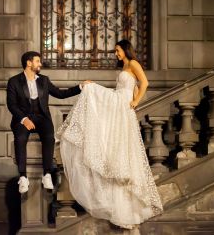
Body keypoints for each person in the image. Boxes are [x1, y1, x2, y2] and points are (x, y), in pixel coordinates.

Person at [57, 40, 163, 229]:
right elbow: (125, 89)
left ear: (125, 50)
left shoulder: (132, 64)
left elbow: (144, 83)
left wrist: (136, 101)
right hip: (119, 104)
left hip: (124, 107)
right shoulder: (124, 66)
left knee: (123, 146)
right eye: (115, 51)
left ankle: (129, 204)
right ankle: (119, 205)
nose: (116, 54)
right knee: (114, 145)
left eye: (118, 50)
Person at [7, 51, 91, 194]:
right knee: (20, 139)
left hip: (42, 117)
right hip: (23, 118)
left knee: (49, 137)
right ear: (29, 63)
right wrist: (24, 119)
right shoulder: (14, 81)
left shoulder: (44, 80)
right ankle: (23, 177)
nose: (40, 64)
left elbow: (60, 94)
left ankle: (46, 174)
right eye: (37, 61)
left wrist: (80, 87)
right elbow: (11, 104)